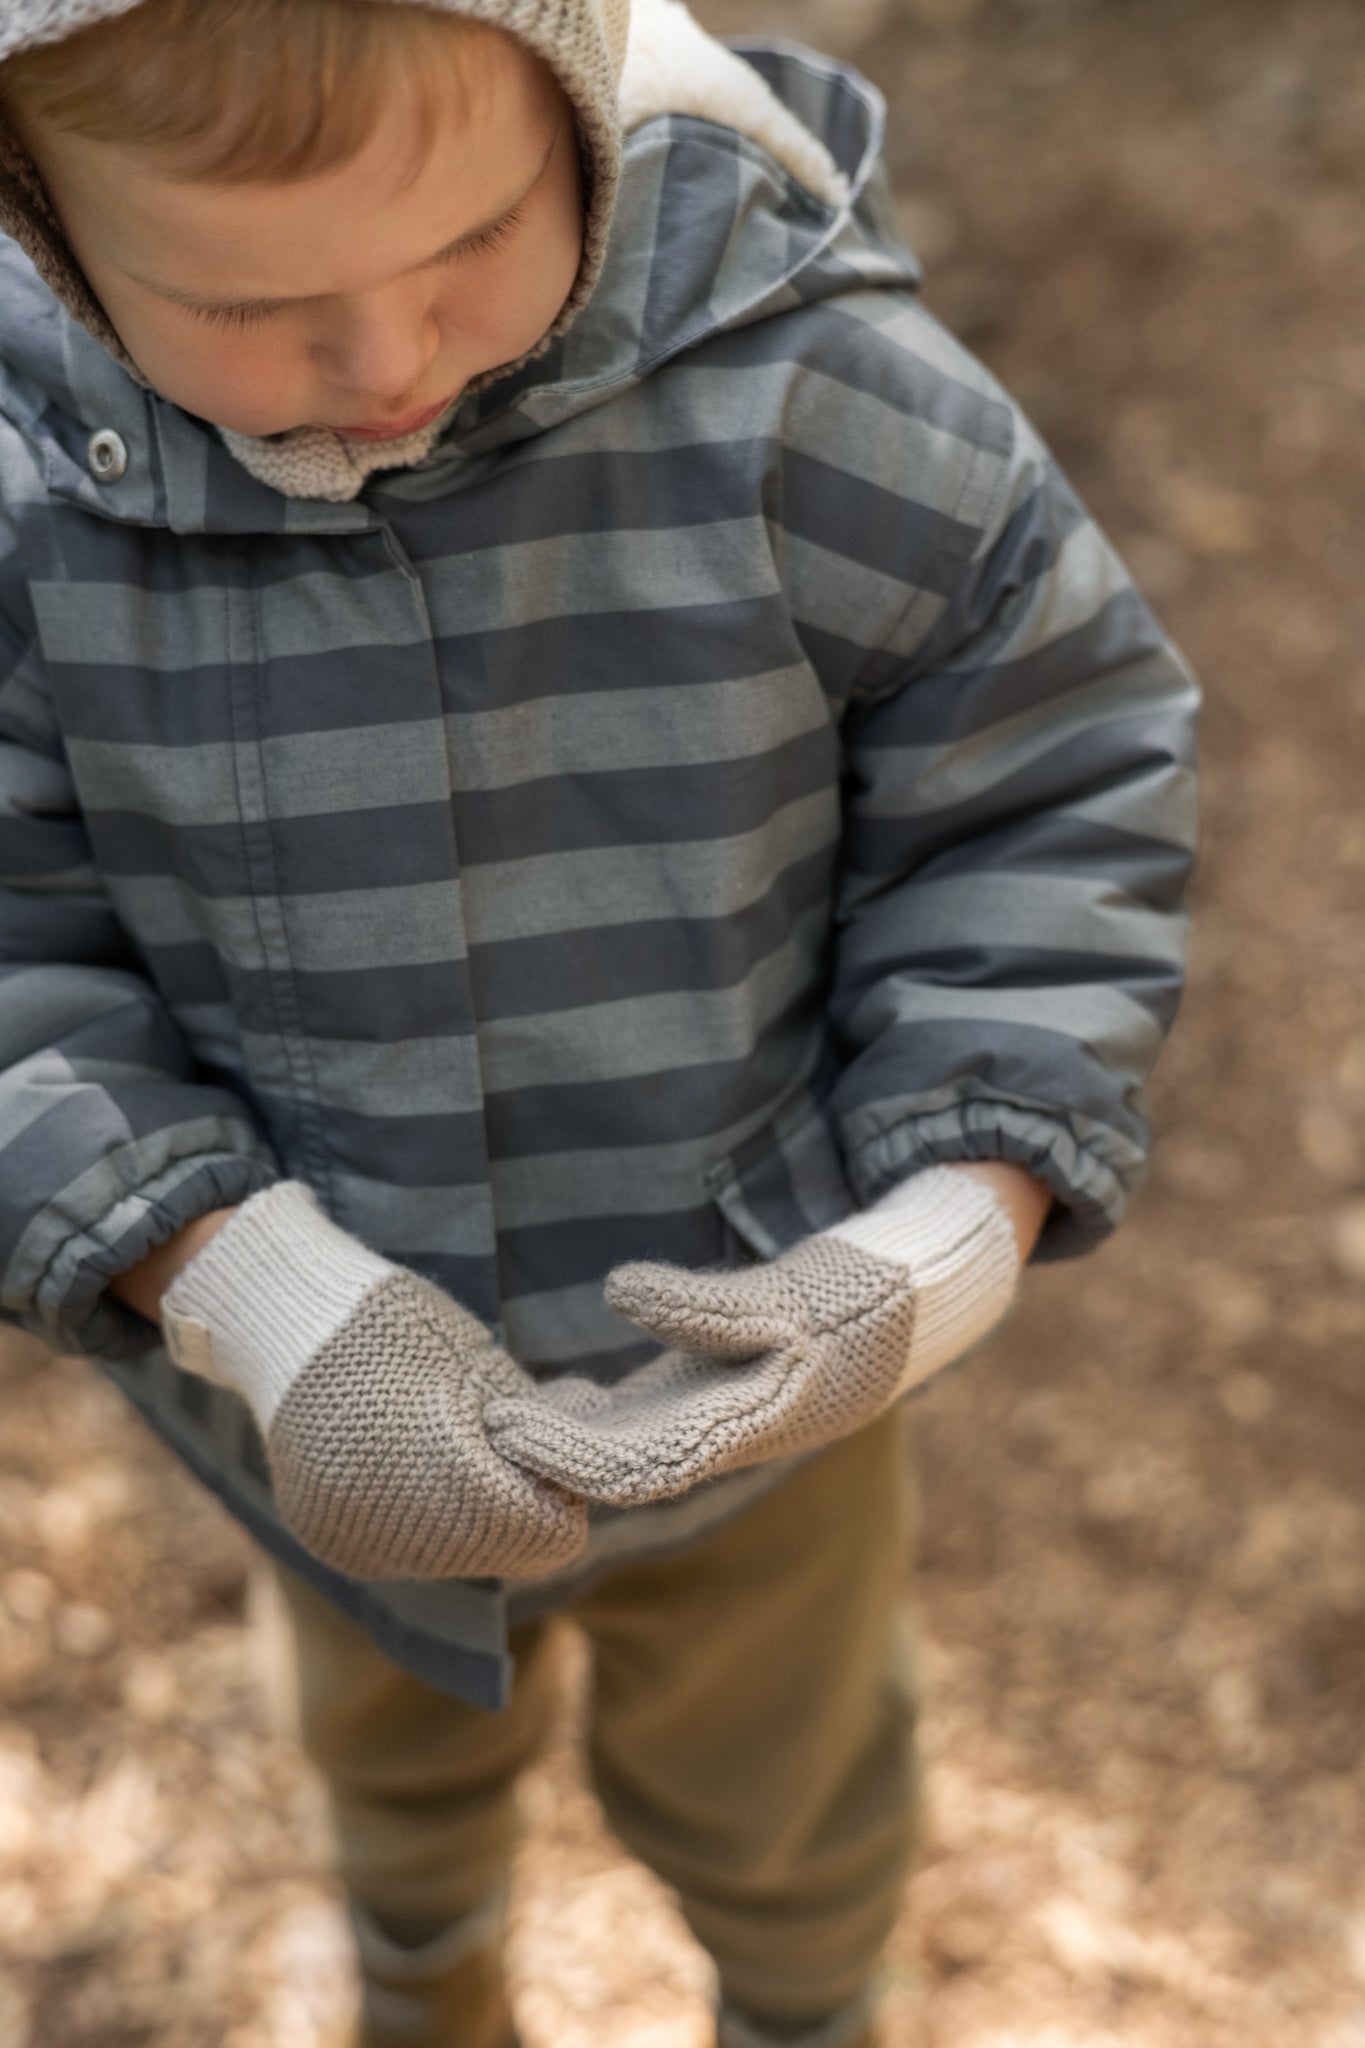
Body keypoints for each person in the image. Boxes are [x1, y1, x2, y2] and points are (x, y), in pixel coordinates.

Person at [0, 0, 1198, 2042]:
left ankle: (805, 2006)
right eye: (248, 305)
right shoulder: (31, 506)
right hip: (315, 1417)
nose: (386, 359)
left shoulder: (802, 390)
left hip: (768, 1377)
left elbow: (1043, 779)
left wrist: (941, 1233)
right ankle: (423, 1968)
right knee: (387, 1756)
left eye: (474, 241)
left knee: (790, 1791)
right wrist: (250, 1296)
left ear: (580, 102)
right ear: (40, 222)